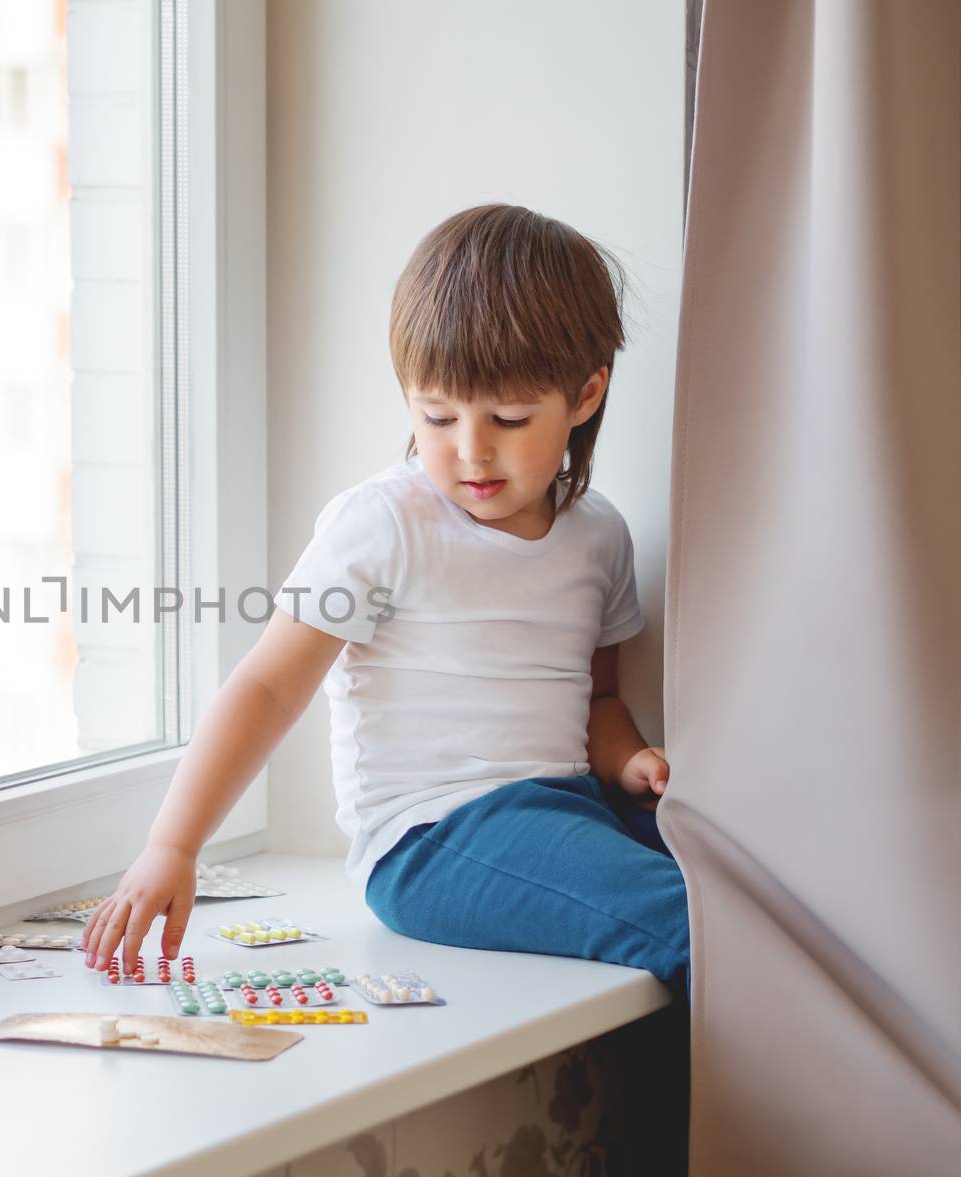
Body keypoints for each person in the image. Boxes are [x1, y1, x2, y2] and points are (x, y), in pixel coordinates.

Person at [80, 203, 690, 997]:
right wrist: (173, 845)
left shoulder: (598, 535)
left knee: (754, 878)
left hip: (570, 807)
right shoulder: (383, 525)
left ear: (584, 396)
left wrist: (631, 760)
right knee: (695, 920)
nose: (471, 448)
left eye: (508, 418)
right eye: (436, 415)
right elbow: (268, 685)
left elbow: (597, 699)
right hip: (434, 837)